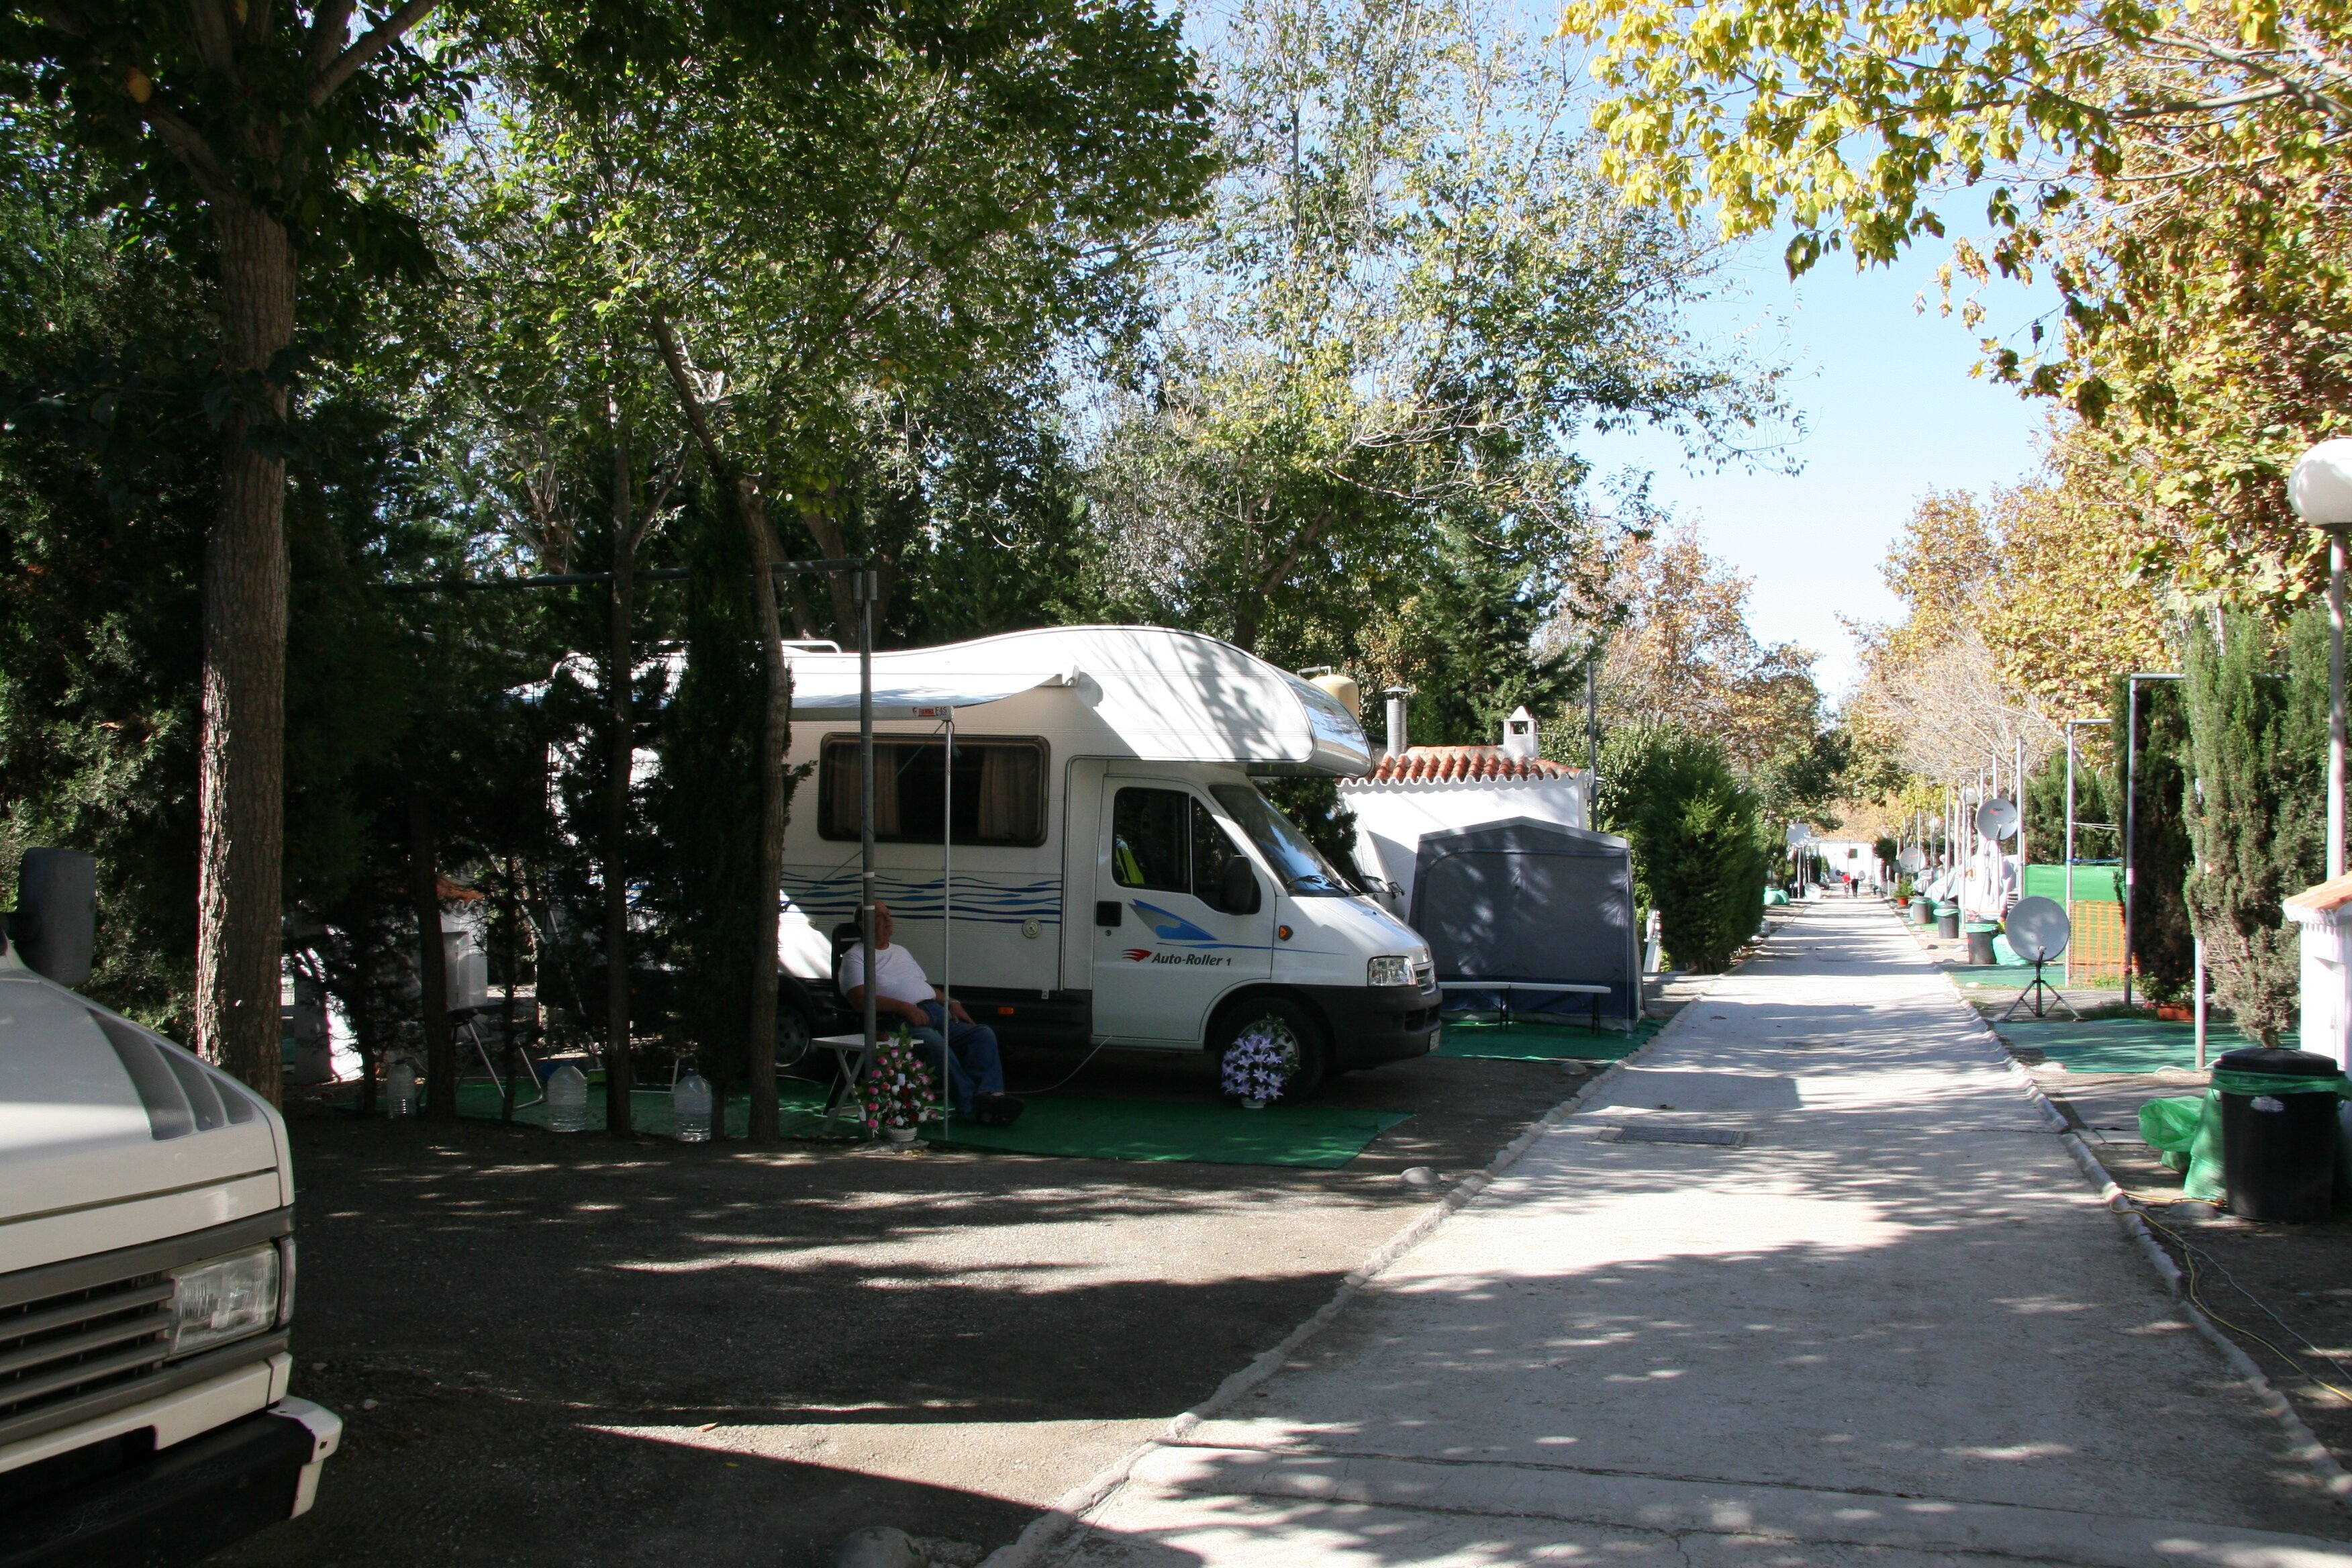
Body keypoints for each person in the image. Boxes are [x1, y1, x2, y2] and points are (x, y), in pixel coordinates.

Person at [840, 901, 1023, 1126]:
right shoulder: (855, 958)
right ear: (863, 924)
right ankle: (972, 1103)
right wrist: (904, 1007)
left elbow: (922, 985)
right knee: (935, 1042)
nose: (889, 920)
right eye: (880, 917)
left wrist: (951, 1001)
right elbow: (860, 1000)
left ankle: (991, 1095)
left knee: (982, 1034)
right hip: (898, 1021)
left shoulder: (900, 951)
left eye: (889, 915)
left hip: (933, 1012)